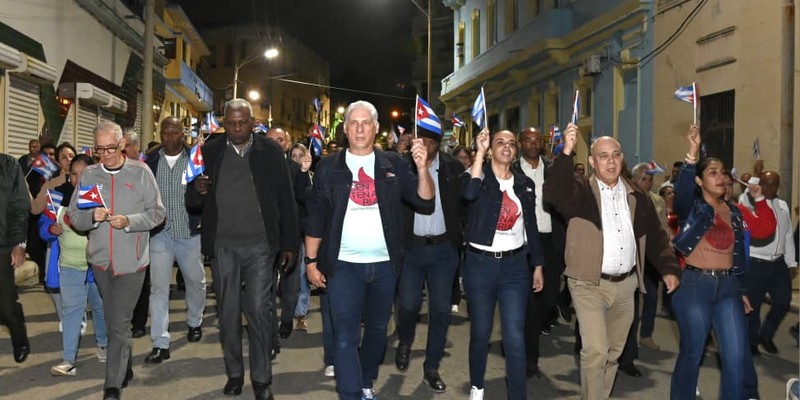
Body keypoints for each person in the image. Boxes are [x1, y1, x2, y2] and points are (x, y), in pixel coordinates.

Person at [304, 100, 434, 400]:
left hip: (385, 266)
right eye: (354, 123)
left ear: (376, 129)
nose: (360, 129)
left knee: (377, 330)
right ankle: (351, 393)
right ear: (345, 129)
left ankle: (366, 380)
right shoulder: (329, 167)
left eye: (366, 123)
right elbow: (315, 218)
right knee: (345, 334)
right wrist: (310, 261)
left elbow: (425, 200)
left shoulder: (393, 164)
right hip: (343, 266)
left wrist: (423, 168)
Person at [543, 124, 680, 400]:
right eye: (603, 156)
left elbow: (656, 235)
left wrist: (668, 268)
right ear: (592, 162)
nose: (610, 161)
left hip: (626, 285)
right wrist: (566, 152)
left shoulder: (637, 196)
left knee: (613, 352)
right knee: (596, 350)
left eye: (615, 155)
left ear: (622, 159)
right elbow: (553, 192)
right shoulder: (581, 191)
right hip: (588, 283)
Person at [185, 99, 298, 400]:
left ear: (252, 123)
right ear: (224, 123)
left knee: (259, 310)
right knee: (228, 312)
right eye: (232, 123)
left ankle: (261, 379)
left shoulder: (270, 151)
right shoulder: (209, 151)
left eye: (243, 122)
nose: (237, 128)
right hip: (223, 246)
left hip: (260, 245)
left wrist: (289, 243)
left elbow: (286, 198)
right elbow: (192, 201)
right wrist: (197, 191)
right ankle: (234, 373)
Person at [68, 121, 165, 400]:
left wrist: (130, 222)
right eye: (99, 149)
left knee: (119, 324)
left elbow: (158, 214)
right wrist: (92, 217)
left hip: (131, 263)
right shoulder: (89, 175)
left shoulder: (141, 172)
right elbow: (75, 216)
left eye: (110, 148)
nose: (105, 154)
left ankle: (112, 385)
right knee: (115, 321)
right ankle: (126, 365)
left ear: (122, 144)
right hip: (100, 263)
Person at [669, 124, 765, 400]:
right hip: (695, 286)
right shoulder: (692, 208)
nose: (721, 177)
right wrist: (692, 154)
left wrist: (741, 289)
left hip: (728, 288)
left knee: (735, 356)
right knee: (692, 352)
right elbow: (682, 194)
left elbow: (739, 255)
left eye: (723, 172)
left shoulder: (734, 212)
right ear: (700, 181)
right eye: (713, 172)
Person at [461, 128, 544, 400]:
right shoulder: (478, 177)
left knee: (515, 335)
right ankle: (477, 386)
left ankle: (517, 395)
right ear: (491, 149)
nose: (506, 147)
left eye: (510, 143)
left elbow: (531, 225)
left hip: (515, 267)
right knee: (481, 332)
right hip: (480, 265)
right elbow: (469, 194)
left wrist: (538, 264)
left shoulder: (524, 184)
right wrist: (479, 153)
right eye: (500, 143)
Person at [394, 124, 465, 393]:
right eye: (420, 139)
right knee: (408, 305)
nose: (425, 145)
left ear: (438, 143)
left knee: (441, 310)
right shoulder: (403, 167)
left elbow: (465, 203)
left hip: (444, 250)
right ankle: (405, 341)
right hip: (412, 250)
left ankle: (431, 367)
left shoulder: (452, 168)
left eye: (430, 140)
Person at [142, 117, 207, 365]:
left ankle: (194, 321)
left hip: (189, 232)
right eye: (165, 132)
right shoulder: (151, 161)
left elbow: (207, 192)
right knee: (158, 288)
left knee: (196, 282)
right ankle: (160, 342)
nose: (169, 137)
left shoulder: (195, 159)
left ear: (183, 133)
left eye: (174, 132)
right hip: (160, 233)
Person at [40, 154, 108, 376]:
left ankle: (103, 344)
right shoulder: (57, 197)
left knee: (99, 307)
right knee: (71, 312)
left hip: (95, 266)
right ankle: (68, 360)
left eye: (82, 174)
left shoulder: (100, 197)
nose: (77, 179)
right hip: (69, 266)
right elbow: (43, 224)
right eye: (73, 174)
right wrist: (50, 229)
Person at [515, 127, 565, 379]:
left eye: (537, 141)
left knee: (548, 298)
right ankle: (529, 359)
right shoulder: (512, 169)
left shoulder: (553, 170)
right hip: (522, 245)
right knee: (529, 303)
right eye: (528, 140)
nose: (533, 144)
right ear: (520, 143)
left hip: (551, 243)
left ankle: (529, 331)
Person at [617, 163, 672, 378]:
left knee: (644, 302)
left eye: (650, 179)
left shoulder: (655, 201)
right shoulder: (619, 197)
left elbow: (661, 230)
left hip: (647, 259)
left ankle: (630, 355)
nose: (647, 183)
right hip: (622, 259)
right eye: (643, 178)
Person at [738, 170, 797, 355]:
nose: (769, 187)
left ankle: (766, 334)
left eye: (773, 183)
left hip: (778, 264)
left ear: (778, 186)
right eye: (765, 183)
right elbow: (745, 196)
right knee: (753, 306)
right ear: (760, 184)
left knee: (783, 301)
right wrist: (756, 179)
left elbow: (787, 236)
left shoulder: (782, 205)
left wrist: (791, 262)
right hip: (756, 263)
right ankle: (752, 342)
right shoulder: (748, 203)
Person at [0, 151, 32, 364]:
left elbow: (20, 206)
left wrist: (19, 244)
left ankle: (19, 337)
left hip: (2, 246)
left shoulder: (8, 166)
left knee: (5, 304)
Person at [288, 142, 314, 332]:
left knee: (302, 276)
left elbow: (304, 198)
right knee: (288, 277)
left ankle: (300, 314)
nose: (297, 160)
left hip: (304, 234)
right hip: (286, 234)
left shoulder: (310, 177)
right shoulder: (283, 175)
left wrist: (304, 173)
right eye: (294, 156)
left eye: (301, 155)